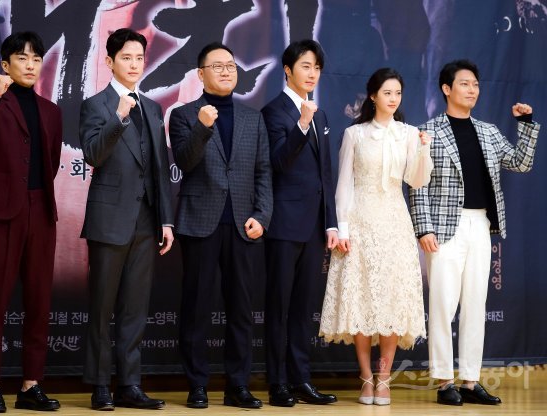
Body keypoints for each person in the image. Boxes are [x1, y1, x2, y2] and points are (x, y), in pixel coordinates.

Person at [409, 59, 539, 406]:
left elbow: (521, 163)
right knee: (442, 304)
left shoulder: (488, 131)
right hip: (443, 227)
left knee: (475, 305)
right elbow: (418, 185)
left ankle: (470, 380)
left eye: (476, 84)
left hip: (480, 224)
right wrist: (424, 228)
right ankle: (444, 382)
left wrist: (525, 124)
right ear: (446, 89)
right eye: (465, 84)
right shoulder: (427, 132)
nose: (472, 90)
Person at [169, 42, 273, 409]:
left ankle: (238, 386)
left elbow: (263, 171)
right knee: (197, 308)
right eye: (217, 66)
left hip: (244, 225)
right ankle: (197, 384)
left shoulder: (252, 118)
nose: (227, 71)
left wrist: (262, 215)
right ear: (201, 74)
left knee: (241, 310)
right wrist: (202, 127)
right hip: (200, 222)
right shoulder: (184, 115)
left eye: (231, 65)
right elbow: (185, 161)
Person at [319, 68, 432, 406]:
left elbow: (417, 181)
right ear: (373, 96)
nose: (393, 98)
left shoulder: (408, 133)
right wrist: (343, 228)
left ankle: (384, 379)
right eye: (387, 92)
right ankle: (366, 378)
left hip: (395, 222)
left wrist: (423, 150)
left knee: (392, 301)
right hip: (361, 222)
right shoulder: (355, 134)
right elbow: (343, 186)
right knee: (362, 300)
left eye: (397, 93)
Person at [79, 28, 174, 411]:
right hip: (109, 219)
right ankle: (100, 385)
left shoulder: (152, 107)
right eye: (126, 58)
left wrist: (166, 220)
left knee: (135, 309)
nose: (134, 65)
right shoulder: (96, 104)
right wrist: (118, 117)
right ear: (109, 61)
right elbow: (93, 154)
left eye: (139, 58)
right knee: (102, 308)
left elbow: (159, 168)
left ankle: (130, 384)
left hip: (146, 220)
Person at [0, 31, 62, 413]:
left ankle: (30, 385)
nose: (30, 65)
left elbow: (52, 162)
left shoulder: (50, 110)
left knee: (39, 301)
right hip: (3, 212)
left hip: (41, 209)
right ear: (5, 65)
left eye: (36, 58)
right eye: (22, 58)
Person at [261, 39, 338, 407]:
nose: (312, 73)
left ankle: (301, 379)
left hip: (314, 227)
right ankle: (277, 383)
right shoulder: (273, 112)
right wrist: (302, 124)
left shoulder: (321, 114)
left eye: (317, 67)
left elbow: (326, 174)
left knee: (304, 308)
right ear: (288, 70)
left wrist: (331, 223)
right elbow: (277, 162)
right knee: (278, 306)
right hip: (282, 224)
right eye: (306, 66)